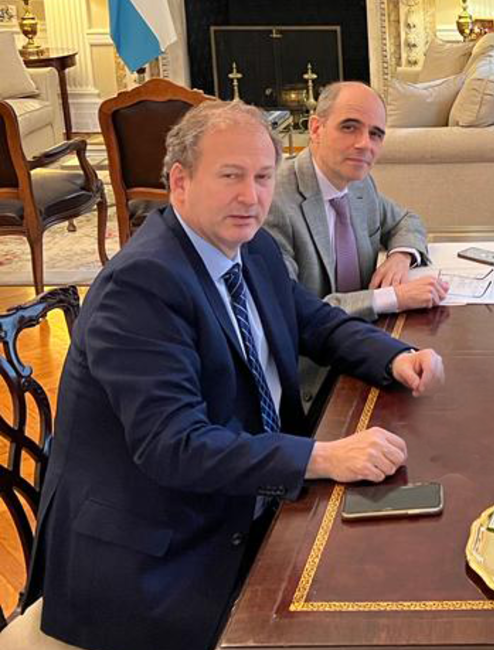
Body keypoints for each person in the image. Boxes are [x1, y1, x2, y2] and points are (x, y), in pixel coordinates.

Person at [24, 101, 445, 650]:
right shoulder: (143, 286)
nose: (251, 197)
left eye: (263, 177)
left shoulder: (251, 246)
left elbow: (312, 321)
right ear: (180, 181)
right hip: (156, 559)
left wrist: (392, 356)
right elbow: (175, 446)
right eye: (230, 176)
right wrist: (321, 456)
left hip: (234, 503)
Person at [265, 80, 448, 411]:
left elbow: (406, 220)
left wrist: (400, 257)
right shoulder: (275, 201)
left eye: (376, 134)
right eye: (350, 127)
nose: (365, 144)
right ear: (316, 128)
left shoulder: (360, 185)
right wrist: (394, 296)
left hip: (365, 347)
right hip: (313, 378)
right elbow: (295, 314)